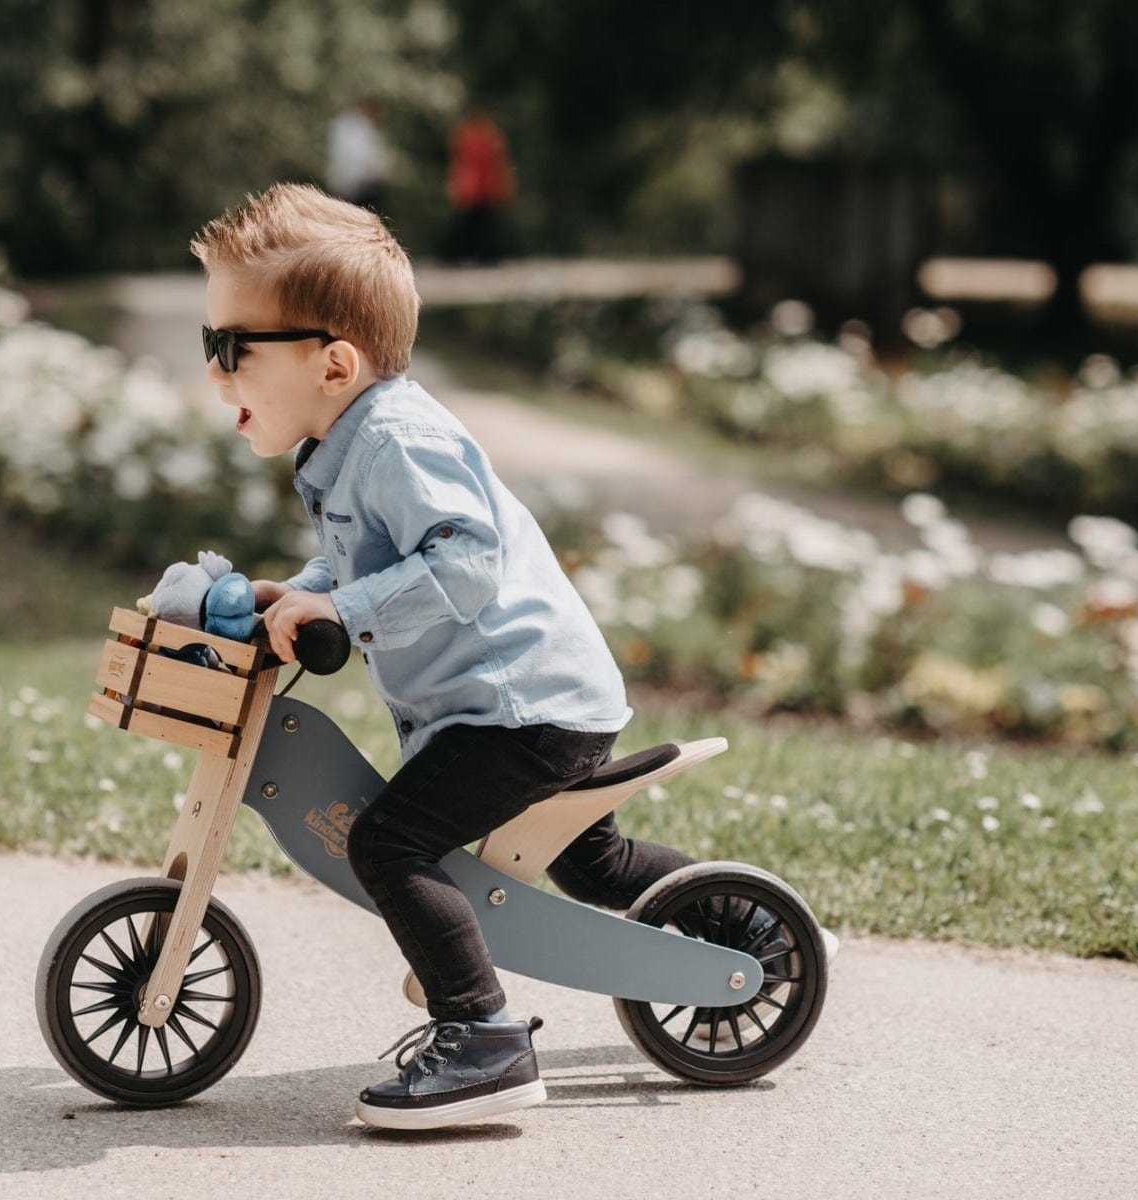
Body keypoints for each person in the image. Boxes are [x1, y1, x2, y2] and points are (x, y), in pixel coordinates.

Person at [190, 182, 734, 1131]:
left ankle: (481, 1037)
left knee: (387, 843)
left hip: (522, 710)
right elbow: (371, 556)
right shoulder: (346, 442)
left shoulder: (396, 438)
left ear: (333, 362)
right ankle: (747, 926)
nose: (215, 374)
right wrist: (303, 590)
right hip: (512, 706)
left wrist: (341, 606)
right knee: (590, 864)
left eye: (230, 349)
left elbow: (467, 561)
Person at [443, 106, 515, 264]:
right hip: (473, 187)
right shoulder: (471, 135)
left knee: (484, 224)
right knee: (469, 223)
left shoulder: (486, 135)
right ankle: (459, 255)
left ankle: (484, 256)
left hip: (483, 186)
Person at [325, 97, 394, 214]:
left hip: (357, 186)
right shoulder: (353, 128)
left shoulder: (356, 127)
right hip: (353, 187)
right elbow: (357, 158)